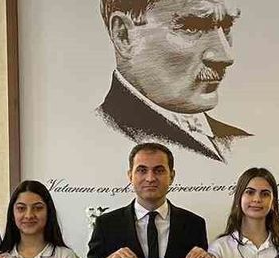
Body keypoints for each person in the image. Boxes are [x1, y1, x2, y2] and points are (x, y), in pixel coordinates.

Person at [95, 0, 250, 161]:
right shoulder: (105, 137)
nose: (225, 56)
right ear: (123, 36)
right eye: (191, 27)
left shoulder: (237, 140)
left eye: (226, 26)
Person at [88, 142, 211, 258]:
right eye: (142, 170)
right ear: (130, 176)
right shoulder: (106, 224)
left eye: (159, 171)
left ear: (172, 176)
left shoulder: (194, 225)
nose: (150, 178)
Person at [207, 166, 279, 258]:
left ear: (273, 202)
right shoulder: (220, 247)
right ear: (239, 198)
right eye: (250, 192)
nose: (257, 199)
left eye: (265, 194)